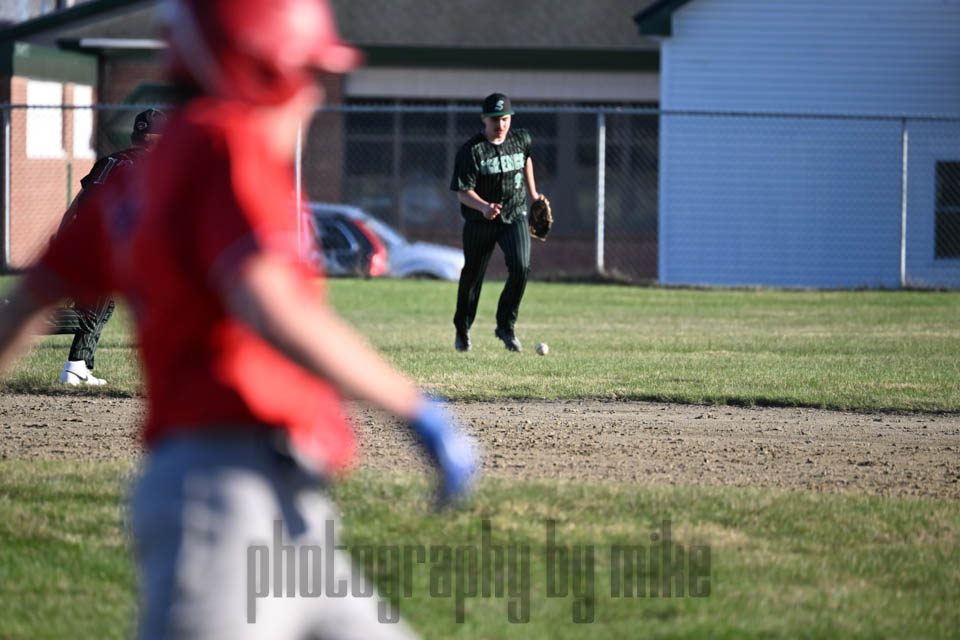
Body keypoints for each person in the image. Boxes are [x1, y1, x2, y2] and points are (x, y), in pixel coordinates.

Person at [0, 0, 477, 638]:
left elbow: (23, 309)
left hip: (272, 504)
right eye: (303, 73)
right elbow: (270, 306)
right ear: (253, 73)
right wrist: (413, 407)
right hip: (226, 500)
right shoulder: (227, 145)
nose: (313, 94)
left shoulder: (137, 178)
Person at [47, 108, 166, 386]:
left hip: (81, 242)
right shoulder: (149, 166)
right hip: (102, 247)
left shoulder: (110, 160)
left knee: (100, 306)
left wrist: (62, 241)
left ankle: (77, 366)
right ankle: (12, 318)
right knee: (90, 314)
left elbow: (76, 206)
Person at [450, 93, 540, 353]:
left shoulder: (520, 139)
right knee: (472, 277)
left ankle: (505, 326)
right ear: (484, 119)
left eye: (504, 119)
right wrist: (483, 207)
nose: (500, 125)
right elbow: (462, 192)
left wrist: (534, 194)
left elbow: (526, 159)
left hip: (515, 214)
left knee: (521, 267)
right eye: (494, 119)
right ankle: (462, 328)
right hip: (480, 221)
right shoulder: (472, 150)